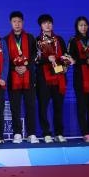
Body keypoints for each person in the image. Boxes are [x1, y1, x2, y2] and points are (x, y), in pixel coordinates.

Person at [4, 11, 38, 143]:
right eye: (14, 22)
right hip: (13, 78)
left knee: (30, 106)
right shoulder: (5, 40)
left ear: (22, 22)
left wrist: (26, 66)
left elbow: (35, 56)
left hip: (29, 77)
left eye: (19, 21)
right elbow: (5, 60)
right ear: (10, 23)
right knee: (15, 107)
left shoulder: (30, 38)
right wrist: (15, 68)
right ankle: (17, 133)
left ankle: (31, 133)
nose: (17, 24)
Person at [35, 14, 69, 143]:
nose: (47, 25)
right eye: (44, 23)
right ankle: (46, 133)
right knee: (43, 106)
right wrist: (46, 59)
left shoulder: (59, 39)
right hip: (43, 78)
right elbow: (35, 59)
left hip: (59, 75)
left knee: (58, 106)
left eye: (49, 23)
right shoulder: (37, 40)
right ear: (41, 26)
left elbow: (65, 55)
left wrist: (66, 66)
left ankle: (59, 133)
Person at [67, 16, 89, 142]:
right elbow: (70, 57)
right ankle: (85, 133)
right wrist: (84, 61)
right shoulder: (73, 41)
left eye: (85, 25)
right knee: (82, 106)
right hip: (80, 77)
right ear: (77, 27)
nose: (83, 27)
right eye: (81, 25)